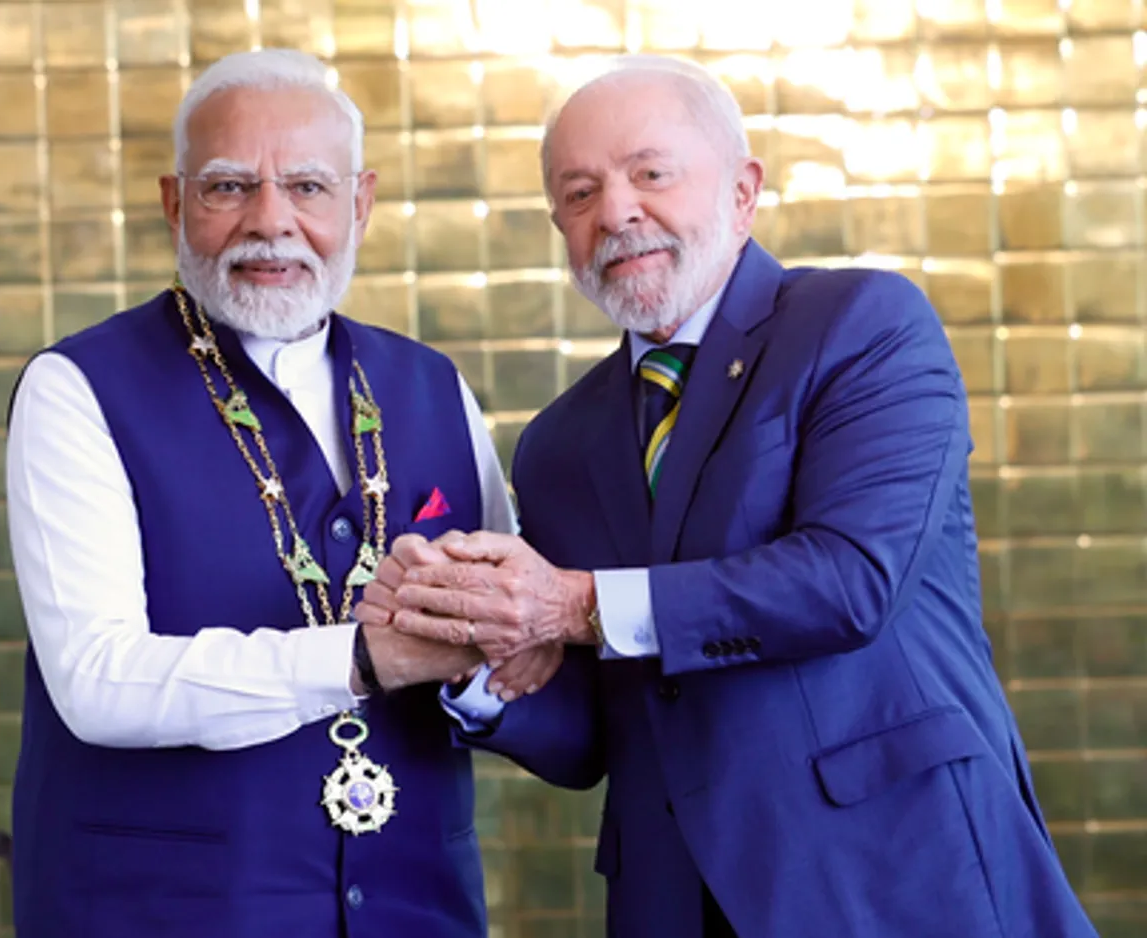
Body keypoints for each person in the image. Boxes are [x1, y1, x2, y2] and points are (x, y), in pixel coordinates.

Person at [356, 56, 1098, 938]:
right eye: (579, 192)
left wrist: (569, 603)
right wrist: (477, 654)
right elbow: (595, 734)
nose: (616, 211)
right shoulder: (557, 445)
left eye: (650, 174)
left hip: (894, 873)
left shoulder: (863, 325)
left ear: (744, 191)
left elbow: (847, 583)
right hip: (672, 899)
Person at [4, 48, 541, 938]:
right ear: (175, 204)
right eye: (228, 188)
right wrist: (362, 661)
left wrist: (493, 664)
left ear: (360, 203)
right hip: (167, 913)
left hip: (416, 905)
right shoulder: (77, 387)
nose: (271, 222)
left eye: (307, 187)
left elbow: (507, 648)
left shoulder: (432, 384)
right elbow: (96, 679)